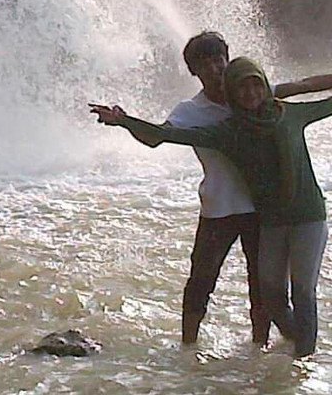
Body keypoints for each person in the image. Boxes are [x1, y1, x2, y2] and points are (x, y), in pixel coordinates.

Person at [92, 57, 332, 357]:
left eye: (255, 84)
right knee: (244, 289)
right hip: (244, 215)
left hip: (287, 214)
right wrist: (124, 121)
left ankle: (291, 358)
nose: (250, 93)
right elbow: (167, 135)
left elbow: (313, 92)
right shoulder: (222, 128)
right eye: (206, 67)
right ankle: (198, 348)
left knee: (289, 291)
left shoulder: (282, 109)